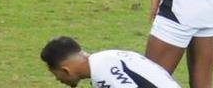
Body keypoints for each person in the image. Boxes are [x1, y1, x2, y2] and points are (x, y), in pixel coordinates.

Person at [41, 36, 181, 87]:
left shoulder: (102, 70)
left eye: (56, 75)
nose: (58, 80)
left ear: (66, 70)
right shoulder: (105, 59)